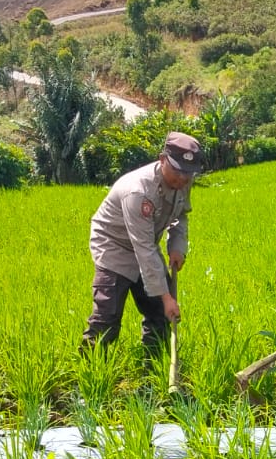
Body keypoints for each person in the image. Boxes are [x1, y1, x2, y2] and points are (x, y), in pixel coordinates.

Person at [83, 132, 204, 353]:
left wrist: (177, 247)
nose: (183, 179)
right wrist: (167, 297)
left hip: (144, 242)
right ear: (162, 159)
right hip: (114, 246)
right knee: (107, 317)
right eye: (177, 170)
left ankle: (153, 367)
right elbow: (144, 249)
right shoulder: (138, 191)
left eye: (188, 173)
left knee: (159, 313)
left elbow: (181, 215)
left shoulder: (184, 180)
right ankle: (89, 373)